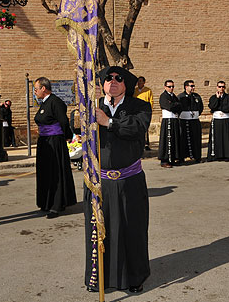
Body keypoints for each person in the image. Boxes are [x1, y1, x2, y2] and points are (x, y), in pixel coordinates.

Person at [85, 66, 152, 294]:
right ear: (102, 83)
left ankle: (134, 277)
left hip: (129, 182)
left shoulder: (140, 107)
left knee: (131, 230)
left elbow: (137, 128)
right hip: (100, 182)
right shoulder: (93, 108)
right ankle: (99, 276)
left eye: (118, 78)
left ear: (126, 84)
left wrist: (109, 123)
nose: (112, 81)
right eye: (108, 78)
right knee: (100, 232)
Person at [33, 77, 77, 218]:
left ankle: (56, 205)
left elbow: (64, 121)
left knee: (55, 172)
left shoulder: (55, 102)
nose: (35, 92)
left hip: (54, 142)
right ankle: (46, 202)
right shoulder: (44, 103)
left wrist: (68, 136)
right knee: (45, 173)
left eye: (36, 89)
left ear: (43, 89)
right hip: (44, 142)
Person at [207, 81, 229, 162]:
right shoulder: (213, 97)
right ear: (217, 87)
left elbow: (227, 108)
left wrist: (218, 107)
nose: (221, 88)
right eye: (220, 87)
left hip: (226, 120)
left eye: (223, 87)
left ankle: (227, 156)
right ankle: (216, 156)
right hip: (216, 121)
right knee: (216, 138)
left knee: (226, 138)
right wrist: (217, 99)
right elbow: (212, 106)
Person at [157, 80, 182, 168]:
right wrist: (175, 105)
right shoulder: (163, 96)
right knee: (167, 140)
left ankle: (173, 158)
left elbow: (179, 106)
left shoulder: (174, 96)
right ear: (165, 87)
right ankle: (165, 160)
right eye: (169, 86)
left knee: (174, 139)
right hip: (167, 120)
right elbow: (169, 106)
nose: (171, 88)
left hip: (174, 120)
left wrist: (175, 105)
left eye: (172, 87)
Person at [178, 80, 203, 162]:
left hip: (194, 120)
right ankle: (183, 157)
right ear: (186, 87)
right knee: (183, 139)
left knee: (195, 139)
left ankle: (196, 156)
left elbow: (200, 107)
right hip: (184, 121)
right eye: (191, 86)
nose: (193, 88)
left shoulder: (196, 96)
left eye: (193, 86)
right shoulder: (181, 97)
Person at [133, 76, 153, 151]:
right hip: (136, 112)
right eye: (138, 81)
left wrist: (149, 111)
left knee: (145, 128)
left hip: (145, 112)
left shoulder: (148, 91)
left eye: (141, 81)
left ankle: (146, 144)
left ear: (144, 82)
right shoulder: (134, 91)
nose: (140, 83)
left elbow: (151, 101)